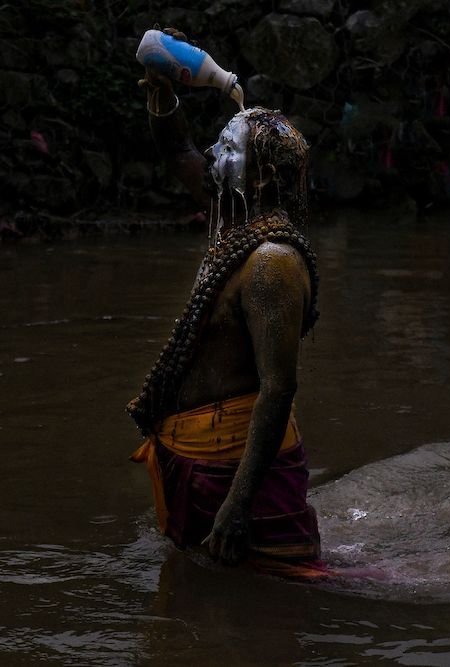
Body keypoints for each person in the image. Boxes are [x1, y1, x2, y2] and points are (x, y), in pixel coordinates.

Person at [126, 29, 327, 578]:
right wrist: (160, 87)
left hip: (239, 481)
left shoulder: (272, 261)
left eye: (228, 148)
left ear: (260, 174)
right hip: (202, 465)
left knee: (275, 603)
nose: (213, 153)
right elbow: (177, 149)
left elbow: (278, 388)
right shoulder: (231, 213)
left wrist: (237, 509)